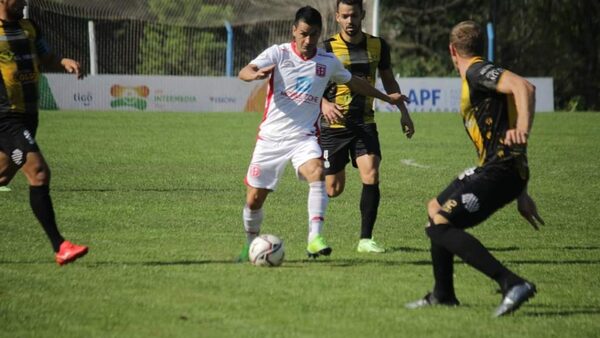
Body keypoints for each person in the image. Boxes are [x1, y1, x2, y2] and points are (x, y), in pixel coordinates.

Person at [237, 6, 407, 260]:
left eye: (314, 35)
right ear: (294, 31)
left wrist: (386, 98)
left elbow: (355, 82)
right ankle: (250, 245)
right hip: (270, 139)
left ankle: (314, 238)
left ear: (320, 34)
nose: (308, 40)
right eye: (303, 33)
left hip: (304, 137)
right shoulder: (279, 53)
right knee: (254, 199)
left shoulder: (327, 62)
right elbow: (245, 70)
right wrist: (254, 74)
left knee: (317, 173)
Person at [406, 21, 544, 317]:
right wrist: (522, 192)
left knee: (442, 222)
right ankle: (443, 295)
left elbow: (525, 87)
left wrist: (523, 130)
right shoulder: (480, 74)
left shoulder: (476, 71)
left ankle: (511, 282)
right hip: (502, 168)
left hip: (501, 170)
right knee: (435, 208)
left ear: (451, 50)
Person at [320, 0, 414, 253]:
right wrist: (324, 104)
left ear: (362, 15)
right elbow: (309, 83)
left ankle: (365, 239)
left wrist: (403, 113)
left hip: (365, 122)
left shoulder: (378, 45)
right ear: (337, 17)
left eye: (354, 16)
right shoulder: (326, 48)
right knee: (333, 189)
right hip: (333, 126)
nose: (350, 21)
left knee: (371, 173)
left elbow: (389, 80)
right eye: (345, 16)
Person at [0, 0, 88, 265]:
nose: (25, 2)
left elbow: (45, 55)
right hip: (5, 118)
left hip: (28, 116)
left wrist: (62, 60)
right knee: (38, 171)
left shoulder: (30, 27)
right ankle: (60, 246)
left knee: (2, 175)